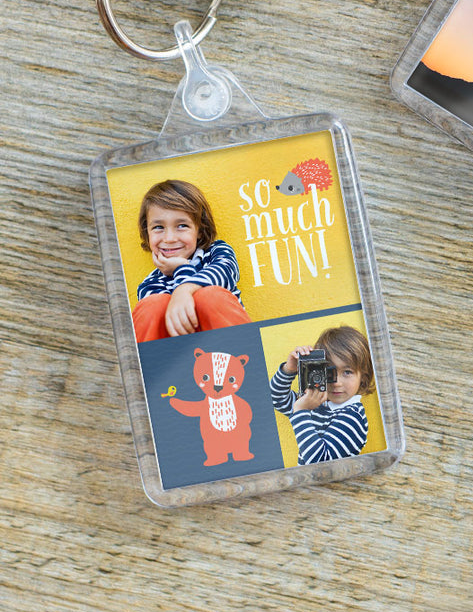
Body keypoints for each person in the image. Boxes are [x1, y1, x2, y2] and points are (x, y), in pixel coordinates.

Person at [132, 179, 250, 343]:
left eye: (181, 225)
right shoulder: (150, 284)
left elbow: (226, 272)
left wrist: (184, 288)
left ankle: (249, 356)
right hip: (179, 352)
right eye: (158, 227)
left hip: (227, 349)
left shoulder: (216, 252)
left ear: (199, 230)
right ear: (148, 233)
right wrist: (182, 268)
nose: (170, 238)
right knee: (152, 305)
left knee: (211, 296)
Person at [270, 325, 374, 465]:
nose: (336, 382)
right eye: (329, 371)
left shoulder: (353, 417)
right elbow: (277, 399)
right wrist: (289, 369)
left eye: (347, 372)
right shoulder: (316, 402)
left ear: (363, 377)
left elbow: (320, 462)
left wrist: (301, 411)